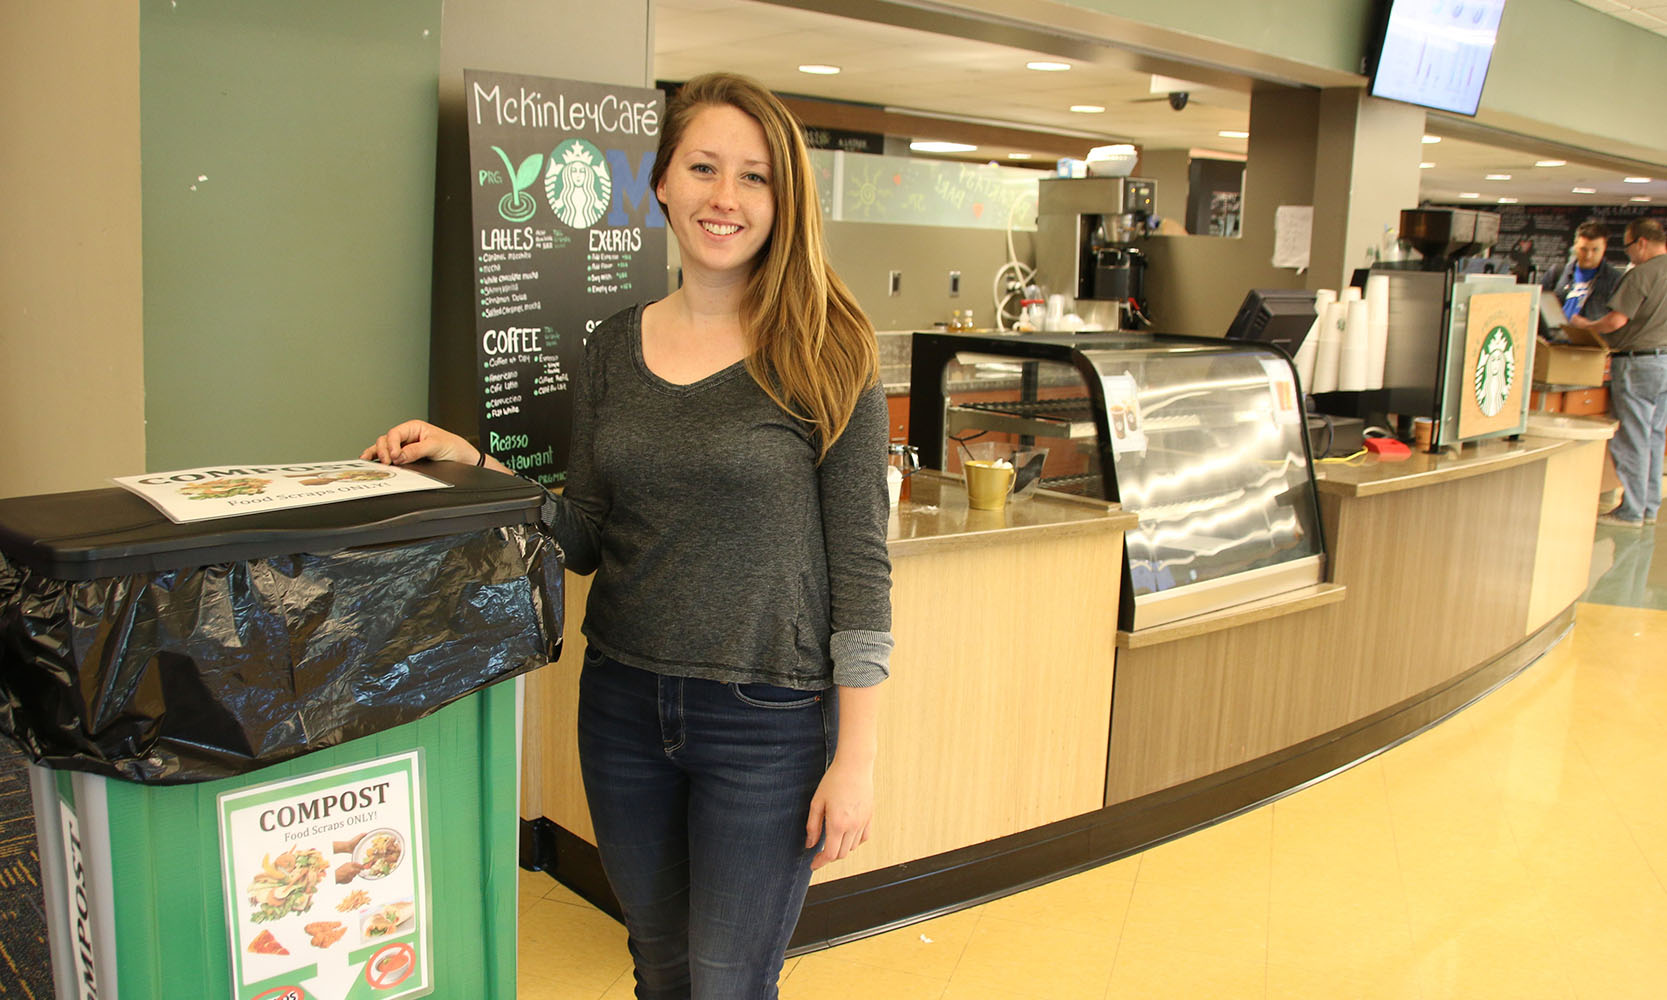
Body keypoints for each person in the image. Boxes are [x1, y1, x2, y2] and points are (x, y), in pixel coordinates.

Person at [363, 73, 892, 999]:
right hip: (622, 707)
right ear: (661, 182)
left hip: (765, 723)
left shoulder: (830, 349)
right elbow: (588, 535)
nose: (724, 198)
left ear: (785, 197)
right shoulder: (612, 345)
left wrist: (855, 760)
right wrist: (475, 467)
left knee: (728, 983)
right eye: (702, 168)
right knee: (659, 970)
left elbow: (861, 575)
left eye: (754, 177)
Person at [1566, 217, 1667, 528]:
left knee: (1633, 438)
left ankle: (1631, 510)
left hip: (1637, 363)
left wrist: (1585, 326)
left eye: (1627, 247)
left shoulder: (1642, 275)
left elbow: (1616, 322)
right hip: (1664, 362)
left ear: (1641, 243)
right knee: (1654, 437)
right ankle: (1648, 506)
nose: (1628, 255)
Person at [1545, 220, 1625, 329]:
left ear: (1604, 248)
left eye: (1595, 250)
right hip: (1554, 338)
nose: (1588, 256)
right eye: (1583, 249)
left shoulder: (1616, 279)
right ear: (1575, 246)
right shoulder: (1557, 273)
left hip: (1589, 342)